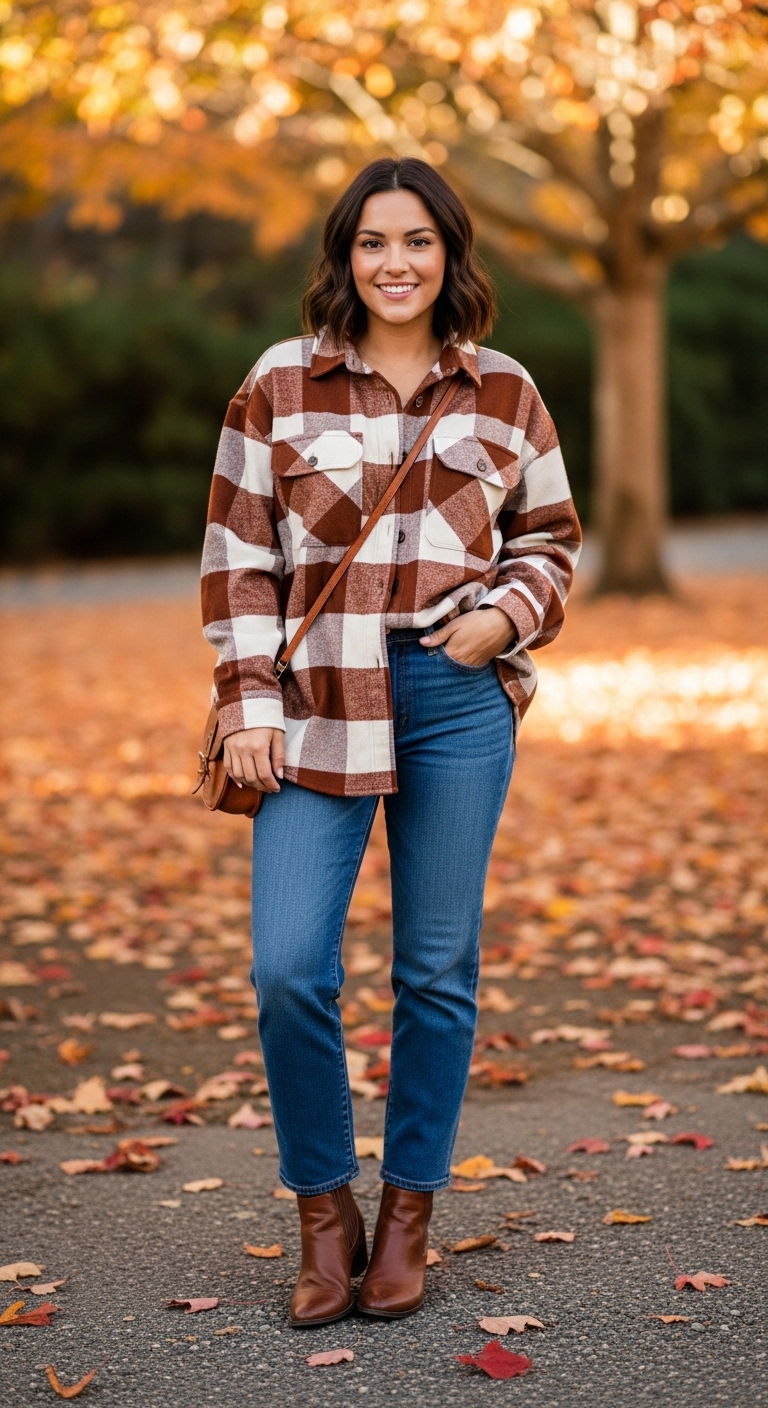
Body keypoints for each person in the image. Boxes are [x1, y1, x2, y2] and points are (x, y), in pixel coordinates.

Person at [201, 157, 581, 1327]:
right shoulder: (278, 383)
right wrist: (246, 705)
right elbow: (237, 557)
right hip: (313, 701)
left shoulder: (507, 391)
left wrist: (497, 623)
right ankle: (327, 1210)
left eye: (418, 241)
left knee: (434, 970)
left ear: (451, 254)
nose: (396, 263)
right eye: (373, 243)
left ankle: (410, 1209)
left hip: (456, 699)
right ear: (345, 257)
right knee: (286, 968)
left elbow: (554, 540)